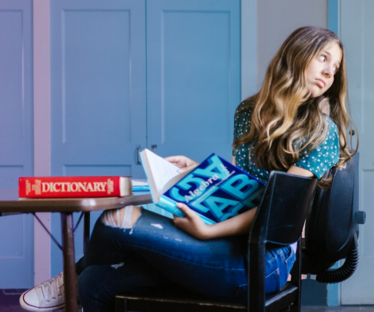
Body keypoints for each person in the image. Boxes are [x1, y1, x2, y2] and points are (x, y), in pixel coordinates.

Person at [20, 26, 355, 312]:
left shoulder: (323, 132)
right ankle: (78, 278)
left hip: (266, 259)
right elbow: (250, 187)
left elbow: (276, 213)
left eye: (336, 67)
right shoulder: (249, 112)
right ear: (295, 55)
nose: (330, 72)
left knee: (114, 220)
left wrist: (208, 232)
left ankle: (69, 277)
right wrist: (200, 172)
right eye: (323, 58)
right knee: (94, 283)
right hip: (227, 238)